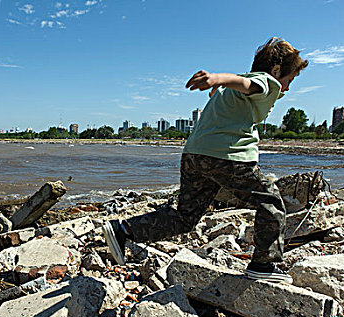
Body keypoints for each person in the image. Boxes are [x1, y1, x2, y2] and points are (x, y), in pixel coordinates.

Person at [103, 37, 308, 283]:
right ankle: (264, 264)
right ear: (276, 70)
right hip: (227, 155)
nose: (286, 88)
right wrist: (217, 78)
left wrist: (217, 86)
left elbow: (237, 90)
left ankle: (123, 229)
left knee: (185, 217)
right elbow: (247, 83)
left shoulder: (226, 92)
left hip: (195, 155)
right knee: (271, 201)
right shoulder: (266, 81)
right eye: (290, 79)